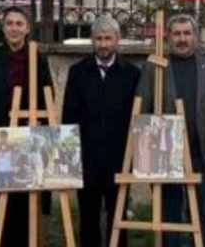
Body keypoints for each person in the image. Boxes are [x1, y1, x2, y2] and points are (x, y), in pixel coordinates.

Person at [136, 14, 205, 247]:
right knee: (169, 217)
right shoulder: (154, 67)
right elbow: (141, 112)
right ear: (167, 37)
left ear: (195, 37)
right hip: (166, 156)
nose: (182, 39)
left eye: (187, 33)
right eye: (177, 33)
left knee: (204, 217)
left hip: (201, 156)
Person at [0, 6, 55, 246]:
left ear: (27, 28)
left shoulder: (38, 57)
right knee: (3, 200)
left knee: (28, 201)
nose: (14, 28)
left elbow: (49, 96)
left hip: (29, 139)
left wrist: (43, 126)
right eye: (10, 24)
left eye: (19, 23)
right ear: (3, 28)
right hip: (0, 140)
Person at [61, 15, 141, 247]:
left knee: (118, 217)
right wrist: (69, 157)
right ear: (92, 41)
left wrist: (133, 157)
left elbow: (135, 118)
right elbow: (69, 115)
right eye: (99, 39)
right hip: (86, 158)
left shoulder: (132, 73)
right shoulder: (78, 72)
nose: (104, 44)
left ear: (117, 39)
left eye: (108, 38)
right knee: (88, 217)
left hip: (119, 158)